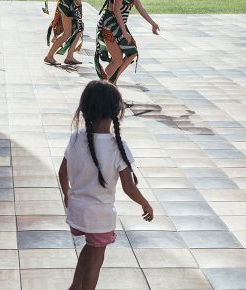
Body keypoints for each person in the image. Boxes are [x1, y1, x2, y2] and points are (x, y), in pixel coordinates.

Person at [58, 80, 154, 290]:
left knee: (90, 247)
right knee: (96, 263)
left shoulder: (76, 138)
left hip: (77, 211)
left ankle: (75, 287)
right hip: (99, 216)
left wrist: (67, 194)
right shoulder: (117, 147)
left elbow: (62, 172)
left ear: (84, 109)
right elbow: (129, 188)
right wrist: (145, 204)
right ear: (117, 111)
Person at [95, 0, 160, 85]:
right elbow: (116, 9)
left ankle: (112, 81)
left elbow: (139, 7)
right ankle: (101, 87)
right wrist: (124, 32)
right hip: (108, 26)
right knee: (118, 60)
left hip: (118, 27)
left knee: (132, 52)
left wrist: (153, 23)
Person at [43, 0, 84, 65]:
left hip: (70, 6)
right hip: (67, 6)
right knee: (67, 34)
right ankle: (49, 56)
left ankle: (69, 56)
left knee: (79, 29)